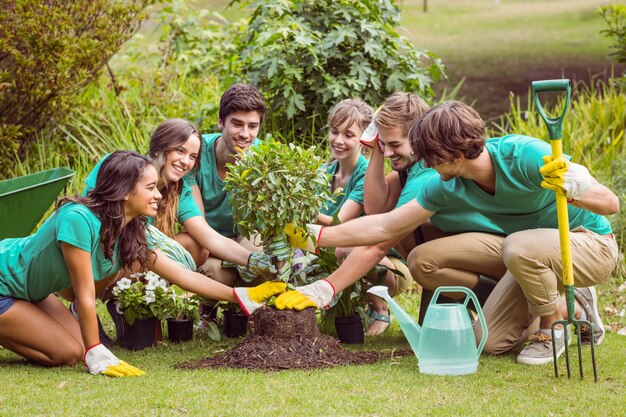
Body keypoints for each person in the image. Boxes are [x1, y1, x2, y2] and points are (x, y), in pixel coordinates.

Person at [279, 101, 618, 366]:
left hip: (587, 243)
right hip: (527, 254)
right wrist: (316, 237)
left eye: (430, 156)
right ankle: (569, 305)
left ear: (452, 152)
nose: (425, 164)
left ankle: (551, 330)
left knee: (518, 246)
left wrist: (577, 185)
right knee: (486, 341)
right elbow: (385, 225)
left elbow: (611, 203)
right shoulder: (449, 184)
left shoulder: (526, 155)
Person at [0, 151, 285, 376]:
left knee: (76, 345)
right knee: (70, 354)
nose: (159, 195)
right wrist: (96, 351)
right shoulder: (78, 219)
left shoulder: (130, 231)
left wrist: (241, 296)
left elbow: (184, 277)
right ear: (125, 191)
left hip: (30, 292)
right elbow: (84, 296)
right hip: (4, 282)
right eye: (150, 187)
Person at [318, 98, 413, 336]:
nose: (339, 141)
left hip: (384, 264)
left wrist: (301, 208)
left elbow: (337, 221)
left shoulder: (364, 174)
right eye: (334, 132)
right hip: (337, 253)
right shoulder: (324, 173)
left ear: (364, 138)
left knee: (345, 250)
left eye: (349, 135)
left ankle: (381, 309)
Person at [183, 84, 269, 286]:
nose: (245, 134)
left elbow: (265, 225)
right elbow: (199, 225)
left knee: (257, 250)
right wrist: (226, 248)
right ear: (221, 122)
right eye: (237, 124)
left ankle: (245, 308)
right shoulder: (195, 154)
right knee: (209, 269)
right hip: (207, 246)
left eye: (253, 126)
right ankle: (218, 305)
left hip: (246, 239)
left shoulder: (264, 158)